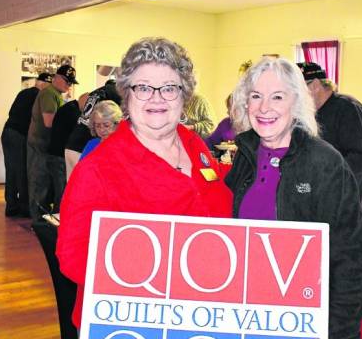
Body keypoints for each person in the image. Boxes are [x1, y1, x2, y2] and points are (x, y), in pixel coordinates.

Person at [57, 37, 232, 330]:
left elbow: (215, 203)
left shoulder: (196, 147)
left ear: (184, 95)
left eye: (169, 87)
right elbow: (73, 254)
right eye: (143, 88)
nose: (156, 98)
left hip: (204, 315)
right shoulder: (100, 167)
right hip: (135, 321)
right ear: (126, 94)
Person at [225, 57, 362, 339]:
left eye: (277, 96)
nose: (264, 108)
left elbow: (348, 262)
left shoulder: (325, 163)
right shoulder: (245, 156)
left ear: (296, 103)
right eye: (256, 96)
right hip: (250, 311)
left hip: (304, 317)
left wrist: (338, 333)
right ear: (245, 103)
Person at [298, 62, 362, 218]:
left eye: (298, 90)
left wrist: (326, 176)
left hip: (343, 205)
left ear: (315, 85)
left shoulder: (349, 108)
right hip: (314, 203)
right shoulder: (308, 113)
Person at [27, 64, 77, 221]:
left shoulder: (56, 94)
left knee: (45, 184)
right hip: (40, 144)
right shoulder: (49, 94)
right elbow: (49, 122)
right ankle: (37, 221)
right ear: (56, 78)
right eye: (66, 81)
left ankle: (42, 218)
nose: (68, 85)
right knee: (39, 183)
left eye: (70, 83)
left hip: (46, 146)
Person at [1, 72, 52, 217]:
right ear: (44, 83)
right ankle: (24, 208)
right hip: (19, 136)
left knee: (11, 171)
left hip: (8, 132)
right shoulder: (38, 97)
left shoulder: (23, 93)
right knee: (23, 171)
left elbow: (12, 112)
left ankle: (11, 206)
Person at [64, 79, 121, 178]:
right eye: (98, 125)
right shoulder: (92, 145)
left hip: (73, 145)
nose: (102, 129)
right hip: (79, 147)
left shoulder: (98, 93)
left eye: (106, 125)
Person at [46, 92, 88, 213]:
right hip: (58, 156)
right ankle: (58, 220)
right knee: (62, 192)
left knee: (59, 191)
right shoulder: (73, 112)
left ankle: (57, 218)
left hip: (55, 154)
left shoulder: (69, 108)